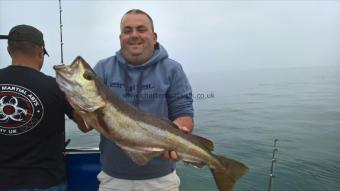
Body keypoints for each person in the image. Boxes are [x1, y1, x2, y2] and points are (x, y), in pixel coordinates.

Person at [93, 9, 194, 191]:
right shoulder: (102, 69)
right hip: (112, 179)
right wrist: (77, 106)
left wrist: (179, 132)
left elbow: (183, 113)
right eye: (127, 30)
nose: (134, 35)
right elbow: (85, 126)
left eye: (141, 29)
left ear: (154, 37)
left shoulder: (173, 70)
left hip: (162, 180)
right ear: (120, 37)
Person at [0, 24, 87, 191]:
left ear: (9, 50)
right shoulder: (57, 87)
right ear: (41, 52)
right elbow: (85, 126)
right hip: (46, 181)